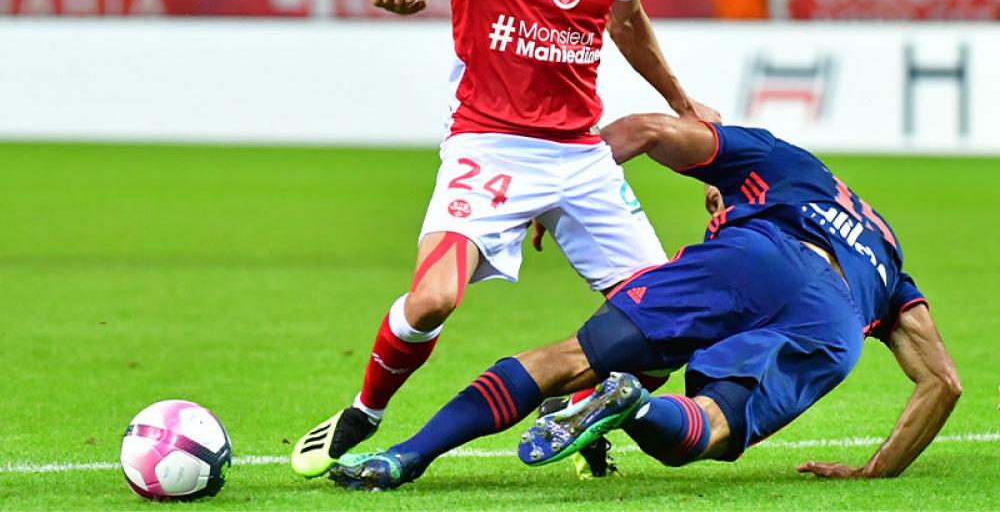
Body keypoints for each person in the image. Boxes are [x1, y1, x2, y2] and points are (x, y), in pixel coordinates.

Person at [290, 0, 717, 479]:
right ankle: (366, 410)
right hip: (488, 144)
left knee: (665, 329)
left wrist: (682, 101)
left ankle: (572, 409)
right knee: (433, 297)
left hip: (580, 157)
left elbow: (626, 21)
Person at [326, 114, 961, 490]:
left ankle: (408, 456)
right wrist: (876, 473)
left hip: (756, 257)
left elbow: (647, 130)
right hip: (835, 322)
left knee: (567, 358)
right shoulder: (886, 250)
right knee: (705, 427)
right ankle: (632, 406)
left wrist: (560, 193)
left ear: (724, 193)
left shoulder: (775, 157)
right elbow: (942, 383)